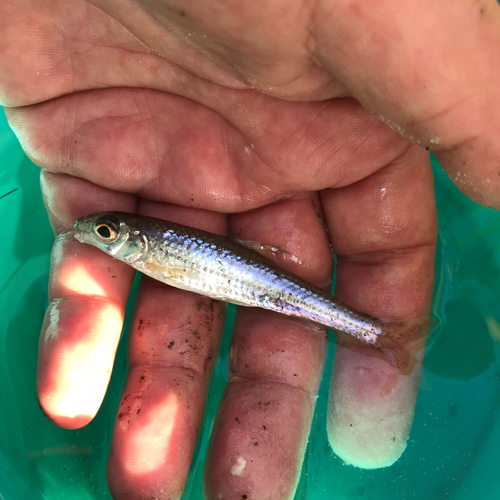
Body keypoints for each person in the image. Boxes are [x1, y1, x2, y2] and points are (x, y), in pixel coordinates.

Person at [1, 0, 499, 498]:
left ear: (135, 240)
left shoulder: (145, 245)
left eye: (107, 233)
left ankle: (376, 333)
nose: (95, 234)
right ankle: (376, 333)